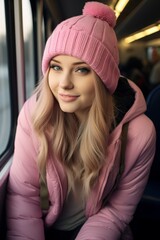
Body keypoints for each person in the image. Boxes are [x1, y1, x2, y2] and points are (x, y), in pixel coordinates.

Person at [6, 2, 156, 240]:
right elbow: (24, 197)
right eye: (56, 67)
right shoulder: (34, 113)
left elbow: (116, 211)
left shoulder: (139, 133)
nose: (63, 83)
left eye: (81, 70)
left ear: (103, 78)